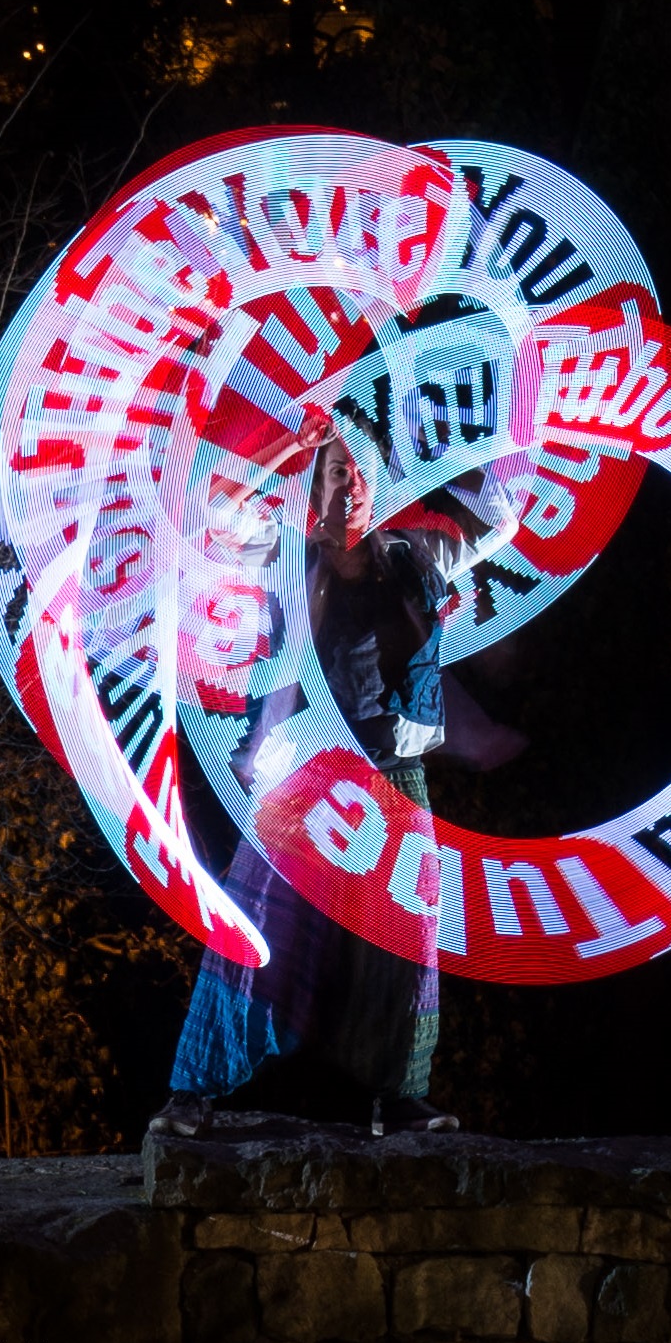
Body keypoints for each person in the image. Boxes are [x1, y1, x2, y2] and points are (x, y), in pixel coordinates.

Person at [149, 405, 518, 1137]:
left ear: (378, 486)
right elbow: (213, 514)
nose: (348, 486)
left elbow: (498, 519)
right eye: (334, 474)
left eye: (359, 475)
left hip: (392, 772)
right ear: (313, 487)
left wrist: (454, 440)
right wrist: (287, 446)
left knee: (403, 941)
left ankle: (397, 1097)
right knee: (258, 925)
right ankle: (192, 1094)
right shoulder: (281, 552)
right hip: (306, 776)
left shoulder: (415, 554)